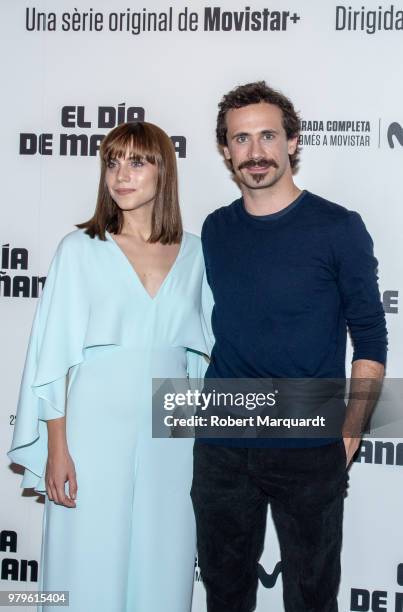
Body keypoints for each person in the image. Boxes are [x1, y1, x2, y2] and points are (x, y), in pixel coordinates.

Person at [191, 82, 387, 612]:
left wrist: (353, 427)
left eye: (268, 137)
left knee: (311, 596)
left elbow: (369, 335)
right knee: (225, 594)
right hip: (222, 438)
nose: (255, 152)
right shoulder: (215, 229)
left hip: (308, 437)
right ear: (226, 150)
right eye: (241, 139)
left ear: (293, 142)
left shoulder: (338, 227)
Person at [8, 121, 211, 612]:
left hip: (172, 432)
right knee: (86, 563)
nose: (121, 174)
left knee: (165, 562)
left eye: (137, 161)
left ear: (164, 171)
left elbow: (202, 358)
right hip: (94, 424)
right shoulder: (79, 251)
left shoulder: (196, 251)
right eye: (113, 161)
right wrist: (58, 448)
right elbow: (52, 358)